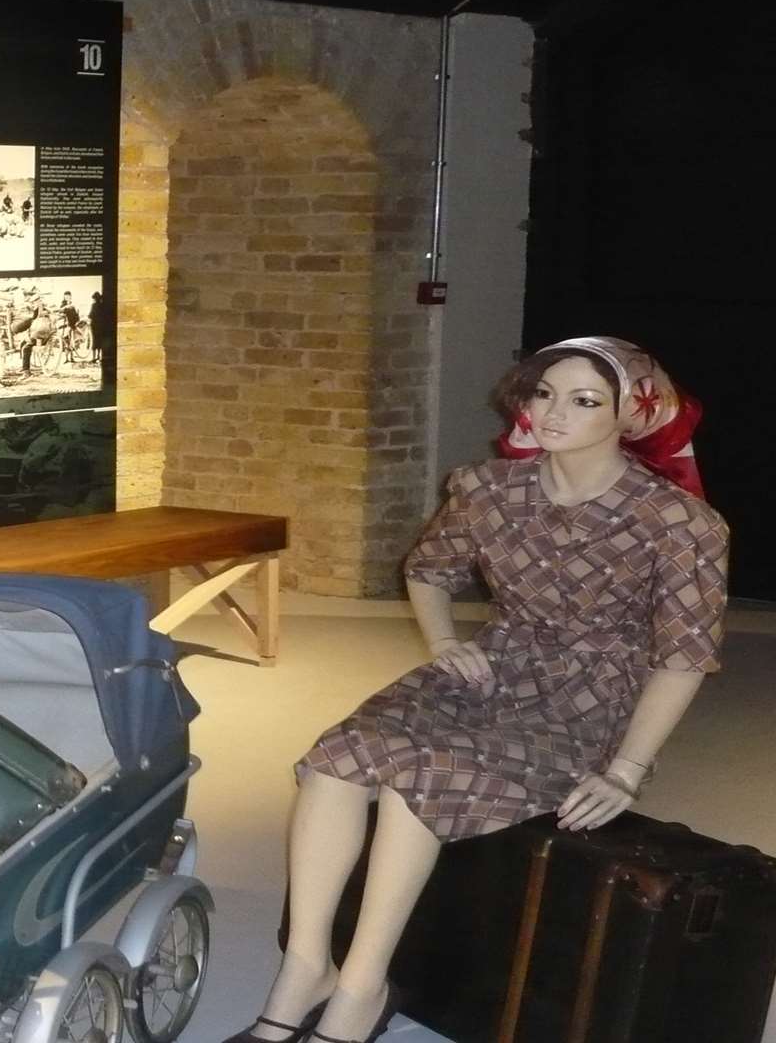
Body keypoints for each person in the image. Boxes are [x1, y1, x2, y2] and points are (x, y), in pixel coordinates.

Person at [224, 337, 727, 1043]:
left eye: (584, 400)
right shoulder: (490, 489)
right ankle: (306, 967)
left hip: (589, 694)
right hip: (494, 663)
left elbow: (683, 657)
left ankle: (363, 986)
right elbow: (428, 569)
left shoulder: (677, 523)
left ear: (629, 417)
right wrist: (445, 644)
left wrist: (626, 770)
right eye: (545, 393)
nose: (554, 413)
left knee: (421, 778)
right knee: (340, 756)